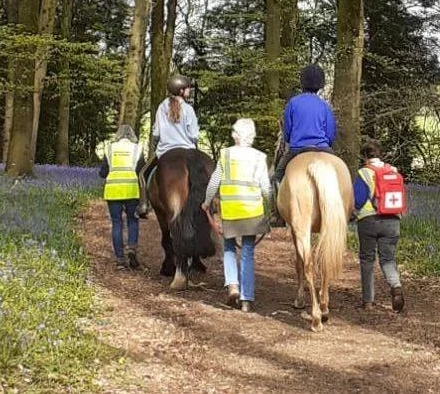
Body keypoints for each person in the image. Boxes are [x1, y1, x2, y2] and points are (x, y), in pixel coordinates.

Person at [202, 118, 271, 312]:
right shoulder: (259, 157)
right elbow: (266, 187)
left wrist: (207, 203)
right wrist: (270, 207)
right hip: (252, 211)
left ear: (234, 135)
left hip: (230, 210)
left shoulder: (225, 155)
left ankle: (232, 285)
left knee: (229, 248)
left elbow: (214, 182)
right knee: (248, 252)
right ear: (252, 136)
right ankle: (246, 299)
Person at [269, 64, 337, 227]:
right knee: (341, 172)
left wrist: (291, 139)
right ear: (321, 83)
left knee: (276, 176)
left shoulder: (293, 103)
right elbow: (330, 132)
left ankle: (277, 215)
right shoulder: (325, 106)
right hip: (323, 147)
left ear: (302, 82)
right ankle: (348, 210)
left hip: (298, 149)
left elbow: (287, 131)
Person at [352, 139, 405, 313]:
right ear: (380, 154)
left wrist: (352, 213)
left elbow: (358, 201)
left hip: (369, 221)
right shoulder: (393, 171)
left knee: (367, 260)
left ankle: (368, 301)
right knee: (388, 259)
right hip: (392, 221)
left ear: (365, 157)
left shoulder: (364, 173)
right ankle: (396, 287)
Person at [137, 75, 200, 217]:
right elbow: (194, 136)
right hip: (187, 151)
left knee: (142, 174)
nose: (189, 90)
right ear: (181, 91)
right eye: (187, 88)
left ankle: (144, 204)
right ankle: (212, 202)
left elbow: (156, 133)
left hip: (165, 151)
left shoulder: (161, 107)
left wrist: (157, 142)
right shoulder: (189, 109)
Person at [100, 124, 146, 270]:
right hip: (131, 190)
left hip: (113, 191)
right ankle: (132, 249)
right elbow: (141, 171)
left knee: (116, 223)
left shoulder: (110, 148)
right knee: (133, 220)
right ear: (132, 135)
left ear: (118, 135)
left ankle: (120, 259)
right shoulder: (137, 148)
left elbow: (103, 172)